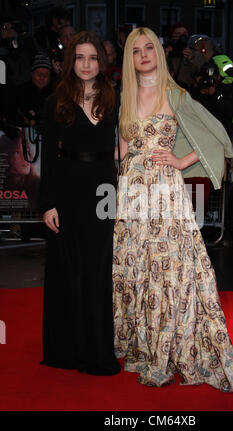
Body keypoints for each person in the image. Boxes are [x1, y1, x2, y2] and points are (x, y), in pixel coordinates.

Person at [113, 27, 233, 391]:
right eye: (135, 50)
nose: (143, 54)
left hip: (164, 193)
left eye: (149, 48)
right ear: (129, 58)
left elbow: (219, 136)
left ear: (159, 52)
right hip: (131, 196)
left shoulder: (175, 94)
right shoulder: (125, 97)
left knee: (168, 270)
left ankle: (171, 349)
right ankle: (142, 346)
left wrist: (179, 161)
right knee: (136, 268)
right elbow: (121, 153)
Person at [39, 31, 121, 376]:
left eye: (92, 58)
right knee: (68, 268)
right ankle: (67, 348)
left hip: (105, 189)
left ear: (101, 62)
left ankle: (97, 348)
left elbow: (121, 147)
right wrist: (49, 203)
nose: (86, 64)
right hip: (69, 189)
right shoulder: (56, 100)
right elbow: (49, 158)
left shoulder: (114, 97)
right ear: (71, 61)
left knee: (99, 269)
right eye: (80, 58)